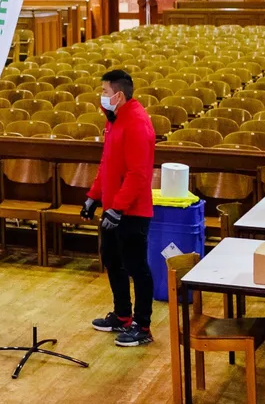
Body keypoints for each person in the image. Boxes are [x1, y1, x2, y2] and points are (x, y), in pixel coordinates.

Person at [82, 68, 157, 346]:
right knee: (113, 261)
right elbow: (108, 164)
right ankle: (122, 315)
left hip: (132, 212)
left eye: (104, 92)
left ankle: (143, 325)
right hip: (113, 208)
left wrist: (118, 208)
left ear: (119, 95)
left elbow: (139, 174)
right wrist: (94, 196)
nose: (100, 96)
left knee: (137, 267)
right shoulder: (114, 119)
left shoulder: (137, 122)